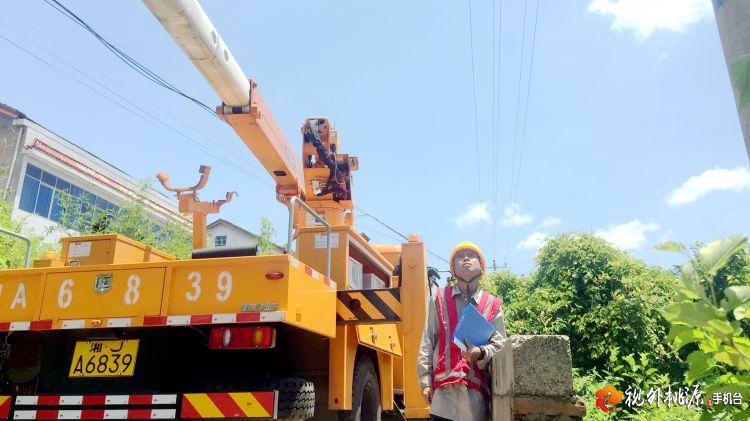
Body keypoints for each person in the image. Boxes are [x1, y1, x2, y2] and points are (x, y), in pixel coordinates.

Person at [417, 241, 507, 421]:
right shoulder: (438, 297)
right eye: (460, 256)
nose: (466, 258)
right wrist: (425, 381)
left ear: (482, 268)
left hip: (475, 401)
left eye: (471, 255)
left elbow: (500, 345)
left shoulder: (492, 304)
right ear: (452, 269)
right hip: (442, 399)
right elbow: (428, 340)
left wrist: (481, 352)